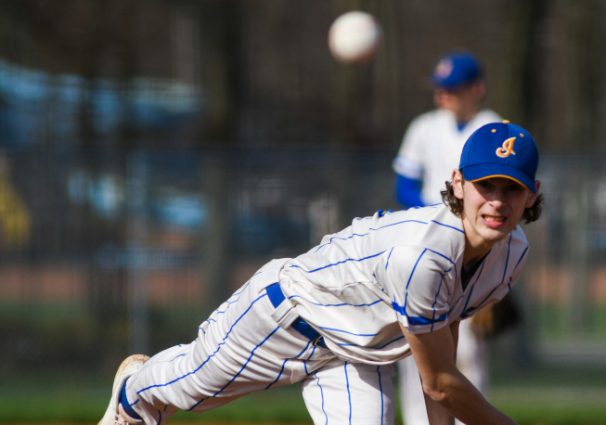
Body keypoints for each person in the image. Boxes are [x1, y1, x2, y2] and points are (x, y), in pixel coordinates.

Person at [99, 120, 543, 425]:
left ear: (532, 194)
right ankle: (133, 393)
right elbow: (439, 382)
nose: (498, 202)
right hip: (287, 316)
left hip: (355, 355)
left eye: (512, 188)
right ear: (459, 183)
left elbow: (444, 344)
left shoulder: (510, 254)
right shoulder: (423, 255)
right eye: (486, 185)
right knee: (191, 390)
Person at [392, 51, 503, 425]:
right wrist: (440, 212)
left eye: (451, 89)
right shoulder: (424, 126)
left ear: (477, 89)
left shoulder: (495, 129)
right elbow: (404, 184)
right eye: (440, 89)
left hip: (474, 256)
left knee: (470, 352)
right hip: (428, 248)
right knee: (418, 350)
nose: (442, 96)